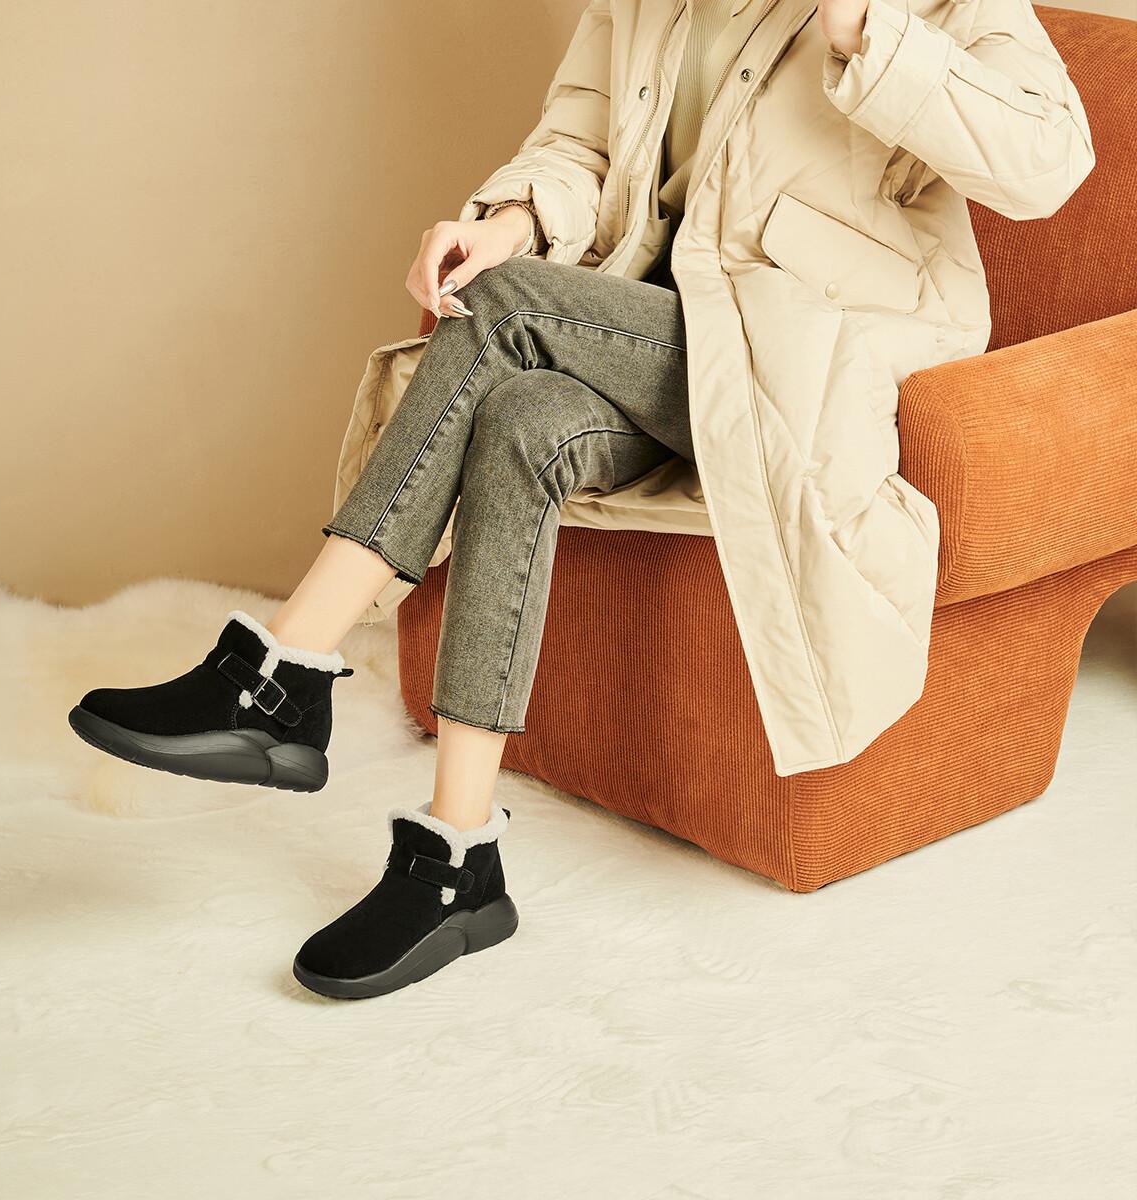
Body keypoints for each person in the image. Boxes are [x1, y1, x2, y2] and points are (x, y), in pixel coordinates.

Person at [68, 0, 1094, 999]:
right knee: (522, 420)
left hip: (802, 360)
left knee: (506, 311)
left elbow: (1047, 162)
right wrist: (509, 221)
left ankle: (280, 676)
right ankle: (456, 862)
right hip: (657, 336)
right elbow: (582, 143)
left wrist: (869, 30)